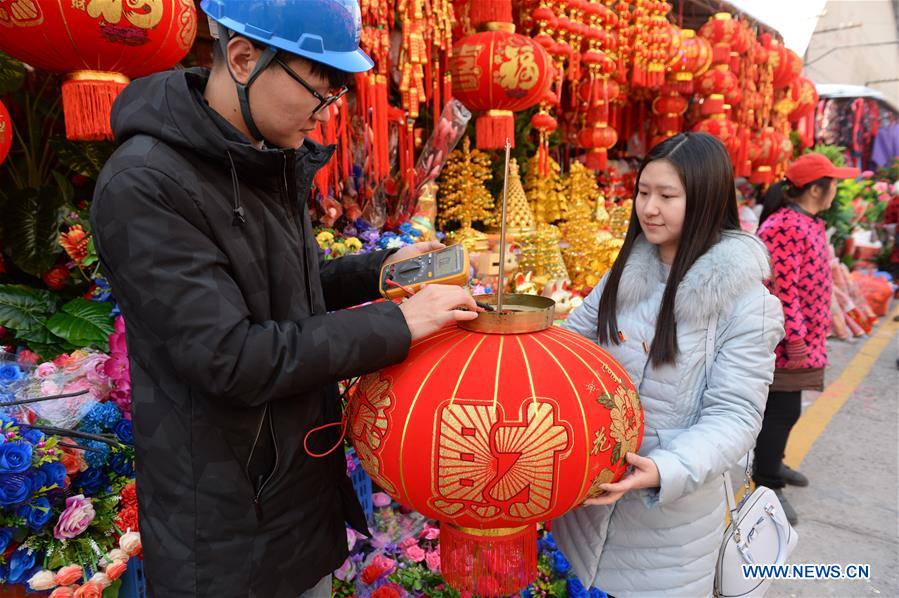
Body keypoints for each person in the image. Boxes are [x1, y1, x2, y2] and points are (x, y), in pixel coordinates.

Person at [89, 1, 479, 596]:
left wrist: (385, 271)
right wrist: (398, 323)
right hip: (228, 524)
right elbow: (231, 356)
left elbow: (283, 293)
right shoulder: (146, 183)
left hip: (294, 495)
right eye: (316, 94)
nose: (324, 117)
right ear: (244, 58)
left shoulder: (259, 155)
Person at [552, 132, 784, 597]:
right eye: (643, 192)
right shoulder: (625, 273)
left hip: (668, 532)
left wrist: (664, 469)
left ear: (704, 200)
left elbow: (735, 417)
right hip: (586, 506)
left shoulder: (748, 305)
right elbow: (571, 348)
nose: (648, 208)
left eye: (667, 196)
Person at [753, 152, 859, 523]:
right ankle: (766, 482)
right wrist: (795, 337)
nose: (836, 192)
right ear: (816, 189)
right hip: (785, 341)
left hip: (802, 336)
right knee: (781, 411)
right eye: (833, 184)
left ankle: (772, 463)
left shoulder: (807, 221)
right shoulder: (785, 225)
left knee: (786, 409)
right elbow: (780, 289)